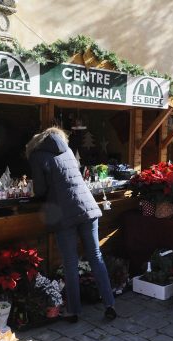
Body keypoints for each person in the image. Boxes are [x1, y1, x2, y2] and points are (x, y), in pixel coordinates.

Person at [26, 127, 116, 322]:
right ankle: (109, 304)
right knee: (96, 256)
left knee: (70, 262)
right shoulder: (66, 150)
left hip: (63, 212)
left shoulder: (36, 155)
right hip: (88, 207)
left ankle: (74, 310)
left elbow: (40, 190)